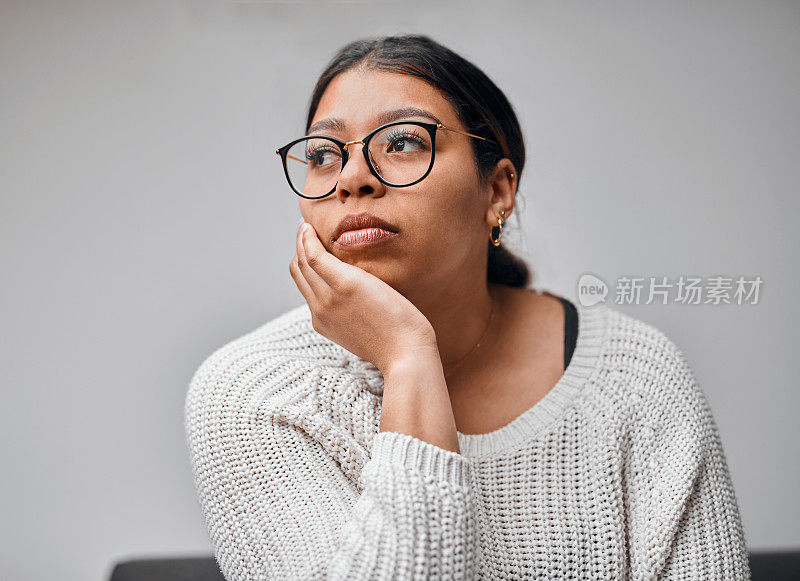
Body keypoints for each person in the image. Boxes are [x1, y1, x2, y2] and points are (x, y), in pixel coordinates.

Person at [184, 34, 750, 580]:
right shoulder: (255, 391)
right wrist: (408, 358)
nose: (352, 178)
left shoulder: (635, 375)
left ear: (498, 192)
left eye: (402, 141)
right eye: (324, 155)